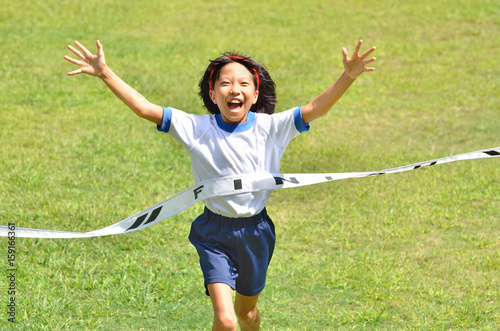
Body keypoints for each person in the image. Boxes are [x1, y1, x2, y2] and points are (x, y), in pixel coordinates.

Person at [64, 39, 376, 331]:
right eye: (225, 83)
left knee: (247, 313)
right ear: (213, 95)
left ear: (254, 95)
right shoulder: (196, 128)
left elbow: (315, 108)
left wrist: (347, 77)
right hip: (213, 233)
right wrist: (105, 73)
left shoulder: (272, 128)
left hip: (257, 233)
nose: (234, 89)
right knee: (226, 321)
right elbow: (145, 108)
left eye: (243, 84)